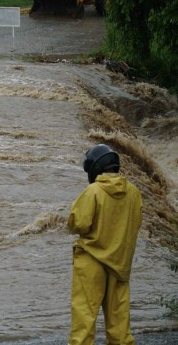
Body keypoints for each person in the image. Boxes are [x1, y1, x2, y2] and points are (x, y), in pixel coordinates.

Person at [67, 144, 142, 345]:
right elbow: (136, 223)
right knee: (120, 328)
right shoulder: (134, 192)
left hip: (91, 262)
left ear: (95, 167)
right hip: (120, 264)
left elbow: (78, 224)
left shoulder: (93, 191)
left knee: (83, 323)